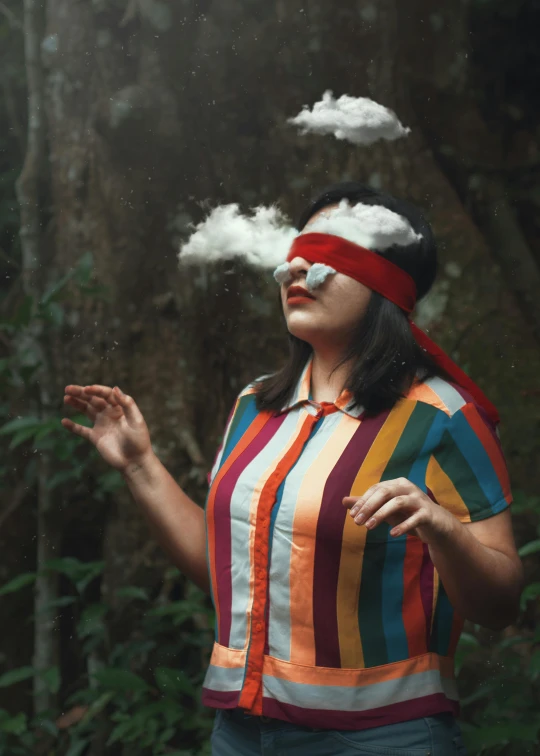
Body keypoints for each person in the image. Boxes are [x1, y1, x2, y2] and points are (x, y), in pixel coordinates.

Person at [62, 182, 524, 756]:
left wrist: (440, 526)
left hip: (384, 738)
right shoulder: (255, 405)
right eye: (298, 250)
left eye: (333, 253)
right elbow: (229, 577)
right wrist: (138, 465)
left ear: (390, 280)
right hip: (240, 733)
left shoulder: (444, 416)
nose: (299, 268)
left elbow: (502, 605)